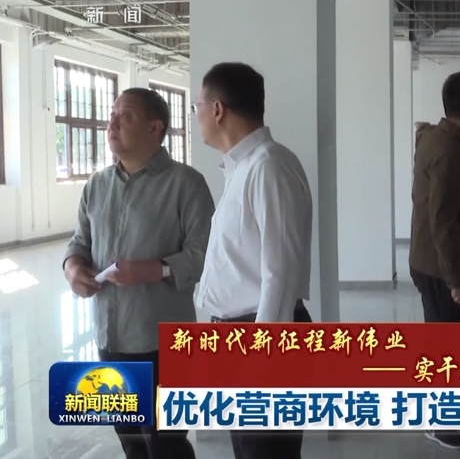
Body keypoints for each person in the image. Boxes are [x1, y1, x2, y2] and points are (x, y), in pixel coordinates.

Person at [62, 88, 214, 459]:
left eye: (125, 116)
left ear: (155, 128)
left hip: (163, 340)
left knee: (167, 443)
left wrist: (157, 269)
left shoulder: (186, 184)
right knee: (130, 440)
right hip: (110, 336)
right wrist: (73, 267)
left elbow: (206, 255)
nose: (111, 124)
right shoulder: (97, 185)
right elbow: (80, 242)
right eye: (112, 115)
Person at [193, 62, 314, 459]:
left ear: (217, 109)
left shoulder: (268, 166)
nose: (196, 116)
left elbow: (280, 272)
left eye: (197, 106)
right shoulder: (243, 168)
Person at [409, 70, 460, 451]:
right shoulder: (449, 152)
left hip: (426, 259)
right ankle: (439, 422)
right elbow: (442, 220)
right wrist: (457, 278)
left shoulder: (436, 138)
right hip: (440, 266)